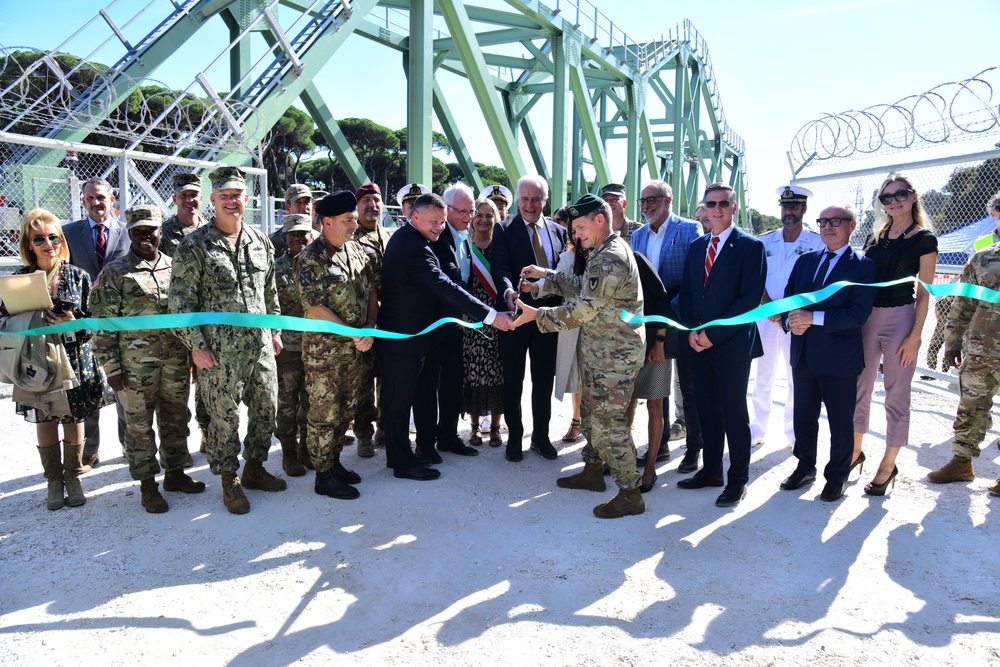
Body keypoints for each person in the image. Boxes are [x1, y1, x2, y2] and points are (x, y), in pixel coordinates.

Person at [514, 194, 646, 519]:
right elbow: (582, 286)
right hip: (602, 351)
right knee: (589, 413)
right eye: (574, 230)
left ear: (600, 220)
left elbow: (583, 309)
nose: (576, 235)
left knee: (610, 424)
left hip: (615, 357)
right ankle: (591, 471)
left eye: (581, 228)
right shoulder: (601, 251)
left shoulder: (609, 257)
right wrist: (545, 279)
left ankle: (630, 493)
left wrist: (538, 316)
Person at [168, 165, 287, 515]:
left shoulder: (259, 241)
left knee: (267, 409)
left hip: (260, 345)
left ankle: (254, 468)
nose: (232, 201)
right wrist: (196, 346)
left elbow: (270, 290)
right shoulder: (194, 246)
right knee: (223, 419)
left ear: (246, 198)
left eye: (237, 195)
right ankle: (228, 479)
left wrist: (275, 330)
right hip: (219, 353)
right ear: (213, 200)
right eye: (224, 196)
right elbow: (180, 302)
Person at [376, 193, 514, 482]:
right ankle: (402, 462)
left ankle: (400, 457)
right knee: (399, 401)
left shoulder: (417, 239)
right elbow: (444, 285)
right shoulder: (414, 247)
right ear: (415, 216)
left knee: (401, 398)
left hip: (413, 333)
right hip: (403, 335)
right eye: (434, 221)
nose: (440, 227)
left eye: (441, 222)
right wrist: (490, 315)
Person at [91, 205, 205, 513]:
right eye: (138, 231)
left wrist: (193, 352)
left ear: (160, 232)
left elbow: (188, 316)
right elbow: (102, 325)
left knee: (176, 418)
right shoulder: (115, 273)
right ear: (129, 234)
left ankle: (175, 473)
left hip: (175, 362)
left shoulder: (176, 266)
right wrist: (111, 369)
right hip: (134, 367)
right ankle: (147, 485)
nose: (145, 236)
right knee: (139, 427)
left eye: (150, 230)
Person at [0, 208, 115, 509]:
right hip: (34, 357)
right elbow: (4, 320)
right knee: (43, 416)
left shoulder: (79, 277)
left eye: (54, 237)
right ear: (28, 244)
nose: (48, 244)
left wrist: (72, 319)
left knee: (73, 417)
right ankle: (54, 481)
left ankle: (73, 477)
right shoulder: (18, 280)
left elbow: (94, 323)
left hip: (74, 357)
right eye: (39, 239)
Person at [677, 183, 766, 508]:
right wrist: (690, 329)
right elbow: (687, 293)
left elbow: (748, 301)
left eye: (723, 204)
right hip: (697, 344)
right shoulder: (698, 246)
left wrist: (711, 334)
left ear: (734, 206)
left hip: (730, 347)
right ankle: (711, 471)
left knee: (733, 414)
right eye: (711, 203)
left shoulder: (750, 247)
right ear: (704, 207)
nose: (717, 209)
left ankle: (737, 480)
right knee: (707, 411)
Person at [779, 205, 876, 502]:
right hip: (804, 352)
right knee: (803, 416)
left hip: (839, 359)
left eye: (836, 221)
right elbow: (788, 300)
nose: (828, 227)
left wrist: (812, 318)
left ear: (852, 226)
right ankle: (805, 465)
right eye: (823, 222)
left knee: (840, 421)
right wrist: (789, 322)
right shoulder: (806, 261)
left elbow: (858, 314)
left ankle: (837, 476)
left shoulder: (863, 266)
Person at [853, 173, 938, 496]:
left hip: (901, 318)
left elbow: (925, 292)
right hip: (867, 318)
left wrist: (915, 334)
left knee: (896, 393)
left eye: (900, 194)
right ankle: (855, 452)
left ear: (913, 196)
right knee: (859, 386)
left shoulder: (924, 239)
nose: (893, 201)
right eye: (886, 197)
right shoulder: (876, 238)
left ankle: (888, 464)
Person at [294, 191, 378, 500]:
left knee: (346, 410)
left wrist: (369, 327)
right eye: (348, 220)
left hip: (354, 350)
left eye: (355, 219)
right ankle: (323, 475)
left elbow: (370, 291)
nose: (355, 225)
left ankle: (335, 462)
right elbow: (315, 309)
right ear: (327, 222)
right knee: (323, 414)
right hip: (324, 354)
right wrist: (353, 334)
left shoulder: (355, 251)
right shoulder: (309, 259)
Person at [491, 175, 566, 462]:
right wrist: (508, 290)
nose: (530, 205)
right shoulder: (504, 228)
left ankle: (541, 437)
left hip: (548, 318)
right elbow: (500, 266)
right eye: (524, 199)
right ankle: (515, 437)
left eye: (536, 199)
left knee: (543, 380)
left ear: (545, 201)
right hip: (516, 317)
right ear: (518, 200)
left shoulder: (559, 232)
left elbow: (563, 274)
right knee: (513, 380)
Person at [629, 179, 703, 473]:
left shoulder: (688, 229)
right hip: (649, 322)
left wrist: (668, 311)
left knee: (689, 386)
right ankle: (658, 447)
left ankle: (694, 449)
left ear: (668, 200)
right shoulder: (636, 236)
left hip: (680, 318)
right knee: (656, 387)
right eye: (643, 201)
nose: (647, 206)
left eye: (652, 199)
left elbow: (693, 278)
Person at [63, 177, 129, 471]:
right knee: (88, 387)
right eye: (90, 198)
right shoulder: (69, 234)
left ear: (111, 200)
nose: (96, 203)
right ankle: (89, 451)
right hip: (83, 324)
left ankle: (130, 447)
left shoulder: (127, 234)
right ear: (83, 201)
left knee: (124, 388)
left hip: (119, 323)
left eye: (100, 197)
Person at [751, 186, 823, 448]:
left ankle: (794, 434)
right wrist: (769, 306)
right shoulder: (765, 240)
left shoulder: (816, 242)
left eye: (794, 206)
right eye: (785, 206)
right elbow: (756, 276)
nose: (788, 211)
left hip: (798, 319)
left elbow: (818, 281)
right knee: (763, 374)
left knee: (797, 377)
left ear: (804, 209)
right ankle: (757, 429)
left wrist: (792, 311)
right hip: (767, 317)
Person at [926, 239, 1000, 495]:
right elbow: (964, 302)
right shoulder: (984, 257)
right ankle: (961, 463)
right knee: (971, 405)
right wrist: (953, 340)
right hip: (983, 349)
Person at [414, 182, 480, 460]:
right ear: (447, 210)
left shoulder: (466, 236)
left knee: (453, 381)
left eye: (471, 211)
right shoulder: (437, 237)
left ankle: (448, 436)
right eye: (462, 211)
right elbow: (450, 280)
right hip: (433, 322)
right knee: (428, 386)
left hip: (454, 322)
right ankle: (426, 444)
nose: (468, 217)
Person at [160, 172, 210, 458]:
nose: (189, 200)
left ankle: (207, 432)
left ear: (201, 199)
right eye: (184, 196)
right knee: (178, 387)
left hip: (207, 319)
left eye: (194, 195)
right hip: (178, 320)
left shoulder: (210, 228)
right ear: (175, 199)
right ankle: (178, 447)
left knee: (208, 381)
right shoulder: (163, 234)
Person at [352, 183, 392, 457]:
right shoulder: (349, 238)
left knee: (388, 379)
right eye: (366, 200)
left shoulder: (390, 237)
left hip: (390, 321)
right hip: (363, 320)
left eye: (376, 200)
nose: (372, 205)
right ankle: (364, 435)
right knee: (363, 381)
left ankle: (386, 431)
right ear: (358, 206)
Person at [272, 213, 314, 477]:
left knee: (311, 399)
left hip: (315, 345)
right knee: (287, 400)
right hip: (286, 347)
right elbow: (269, 305)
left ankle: (307, 450)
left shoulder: (319, 263)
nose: (299, 238)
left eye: (303, 234)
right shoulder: (275, 268)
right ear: (285, 238)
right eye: (293, 234)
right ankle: (288, 453)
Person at [462, 198, 505, 447]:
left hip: (497, 319)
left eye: (489, 215)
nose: (484, 219)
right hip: (472, 320)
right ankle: (475, 427)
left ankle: (497, 427)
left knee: (498, 373)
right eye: (479, 214)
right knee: (473, 373)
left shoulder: (501, 246)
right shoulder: (464, 247)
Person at [271, 184, 313, 257]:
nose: (304, 207)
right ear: (288, 207)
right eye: (298, 203)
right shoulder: (274, 241)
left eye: (307, 202)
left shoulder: (319, 238)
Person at [600, 182, 641, 247]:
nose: (609, 203)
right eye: (605, 200)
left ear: (624, 203)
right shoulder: (596, 231)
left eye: (614, 199)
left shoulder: (640, 231)